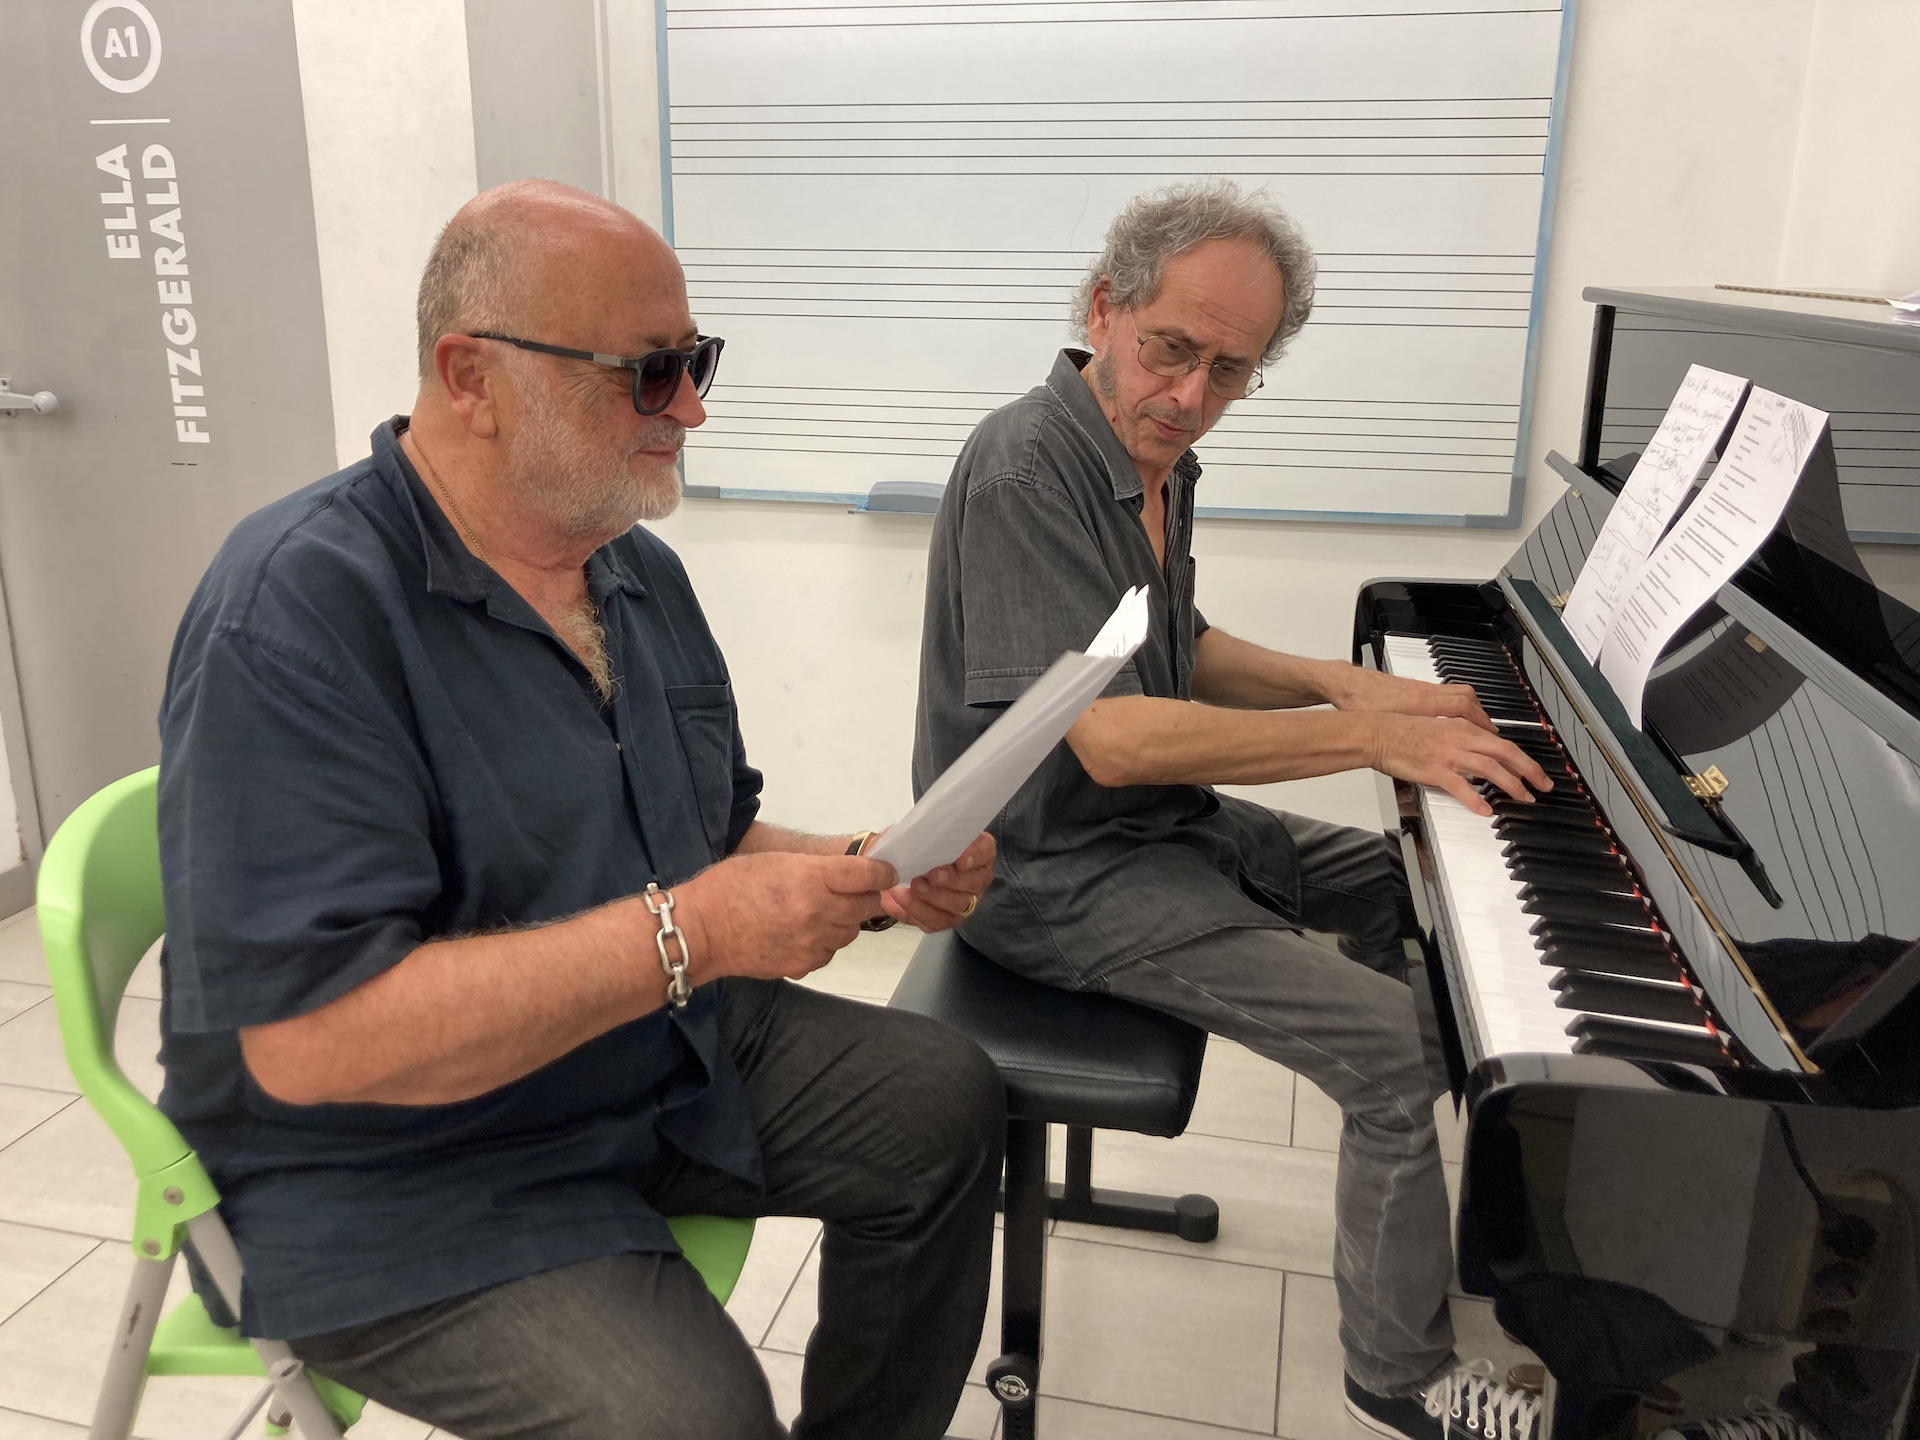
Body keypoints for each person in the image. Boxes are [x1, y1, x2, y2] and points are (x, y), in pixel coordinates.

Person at [157, 179, 1002, 1440]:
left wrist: (869, 866)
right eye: (648, 373)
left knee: (945, 1099)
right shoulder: (296, 611)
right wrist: (698, 934)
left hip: (633, 1048)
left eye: (697, 362)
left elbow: (702, 836)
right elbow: (314, 1042)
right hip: (392, 1162)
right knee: (686, 1419)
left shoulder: (633, 572)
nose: (692, 408)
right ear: (473, 379)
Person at [912, 179, 1556, 1440]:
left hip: (1158, 832)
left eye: (1231, 371)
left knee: (1429, 891)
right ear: (1104, 309)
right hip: (1049, 877)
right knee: (1394, 1048)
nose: (1192, 395)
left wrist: (1342, 681)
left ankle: (1494, 1239)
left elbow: (1176, 646)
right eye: (1172, 350)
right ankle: (1398, 1374)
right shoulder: (1028, 469)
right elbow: (1115, 740)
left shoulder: (1152, 456)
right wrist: (1365, 735)